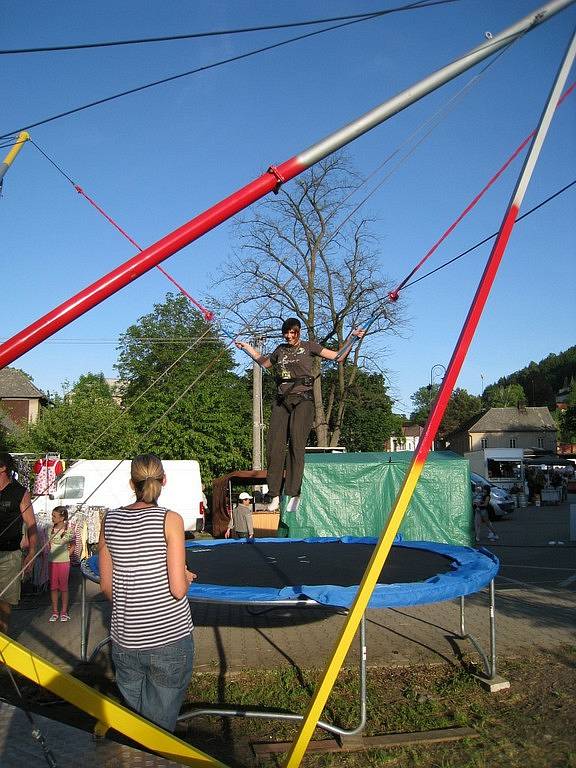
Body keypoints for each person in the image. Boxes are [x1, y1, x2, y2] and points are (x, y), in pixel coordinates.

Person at [98, 454, 197, 732]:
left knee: (136, 723)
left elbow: (107, 588)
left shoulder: (110, 519)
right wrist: (186, 577)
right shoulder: (170, 519)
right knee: (158, 733)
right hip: (169, 639)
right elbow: (178, 590)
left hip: (126, 640)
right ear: (164, 480)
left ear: (132, 483)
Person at [236, 318, 364, 512]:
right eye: (286, 333)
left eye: (292, 333)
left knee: (296, 443)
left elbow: (338, 356)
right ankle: (274, 493)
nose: (289, 337)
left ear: (298, 332)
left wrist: (352, 339)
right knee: (274, 445)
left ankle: (294, 491)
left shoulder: (309, 346)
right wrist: (247, 348)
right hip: (282, 400)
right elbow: (264, 363)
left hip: (303, 400)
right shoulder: (280, 350)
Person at [0, 451, 37, 635]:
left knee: (5, 602)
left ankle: (4, 639)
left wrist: (31, 553)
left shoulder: (20, 492)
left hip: (10, 554)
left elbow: (31, 524)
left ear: (3, 468)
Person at [48, 506, 73, 622]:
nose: (52, 518)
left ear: (62, 517)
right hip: (52, 562)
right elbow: (48, 545)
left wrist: (68, 554)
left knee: (63, 587)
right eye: (52, 515)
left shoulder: (68, 530)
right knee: (53, 587)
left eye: (54, 516)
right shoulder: (49, 529)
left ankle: (63, 611)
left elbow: (73, 544)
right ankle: (55, 611)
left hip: (64, 562)